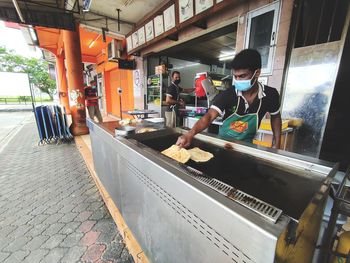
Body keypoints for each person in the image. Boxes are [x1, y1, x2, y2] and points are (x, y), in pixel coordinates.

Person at [177, 49, 282, 148]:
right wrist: (190, 134)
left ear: (257, 73)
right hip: (223, 143)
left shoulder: (270, 95)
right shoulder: (228, 94)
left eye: (242, 76)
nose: (237, 80)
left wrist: (276, 143)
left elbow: (276, 117)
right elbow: (209, 116)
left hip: (247, 146)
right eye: (235, 76)